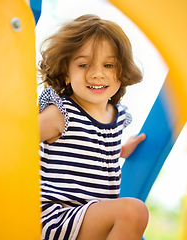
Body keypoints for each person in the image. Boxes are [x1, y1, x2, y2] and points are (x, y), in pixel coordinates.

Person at [38, 14, 148, 240]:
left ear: (122, 72)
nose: (97, 73)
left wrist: (122, 150)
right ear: (66, 73)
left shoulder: (117, 118)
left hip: (88, 216)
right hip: (55, 218)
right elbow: (12, 141)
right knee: (132, 212)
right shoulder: (60, 113)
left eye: (108, 65)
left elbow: (91, 149)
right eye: (83, 64)